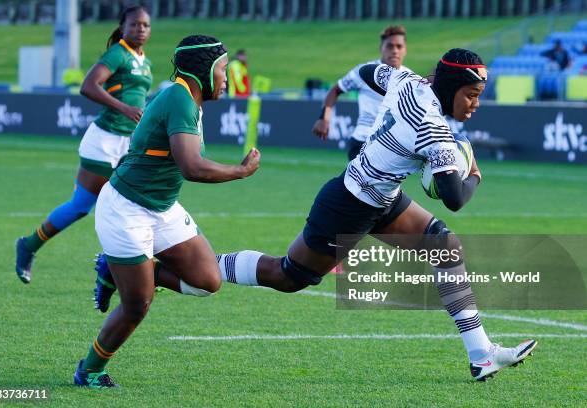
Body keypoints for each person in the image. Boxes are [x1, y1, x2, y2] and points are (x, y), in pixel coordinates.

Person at [213, 49, 536, 381]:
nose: (475, 104)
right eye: (471, 95)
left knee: (445, 247)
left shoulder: (406, 80)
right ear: (452, 87)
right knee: (287, 276)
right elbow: (455, 198)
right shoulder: (434, 131)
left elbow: (369, 72)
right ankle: (198, 265)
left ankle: (481, 354)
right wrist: (475, 174)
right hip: (348, 205)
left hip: (382, 198)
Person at [73, 35, 260, 388]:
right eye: (222, 70)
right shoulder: (179, 98)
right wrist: (241, 171)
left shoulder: (189, 98)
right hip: (126, 209)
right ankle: (90, 369)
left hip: (161, 208)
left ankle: (134, 273)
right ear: (203, 70)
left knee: (208, 281)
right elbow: (192, 167)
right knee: (137, 305)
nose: (226, 78)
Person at [15, 6, 153, 284]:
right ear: (122, 27)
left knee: (136, 203)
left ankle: (135, 270)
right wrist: (124, 108)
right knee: (82, 206)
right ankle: (28, 245)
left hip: (128, 143)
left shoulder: (143, 59)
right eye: (135, 24)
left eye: (145, 25)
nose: (141, 29)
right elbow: (88, 86)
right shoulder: (118, 53)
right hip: (104, 141)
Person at [312, 25, 410, 161]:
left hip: (392, 146)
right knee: (357, 182)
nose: (394, 51)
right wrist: (324, 118)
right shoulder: (365, 71)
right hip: (363, 142)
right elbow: (336, 90)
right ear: (381, 48)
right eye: (389, 46)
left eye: (399, 46)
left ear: (405, 50)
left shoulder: (410, 78)